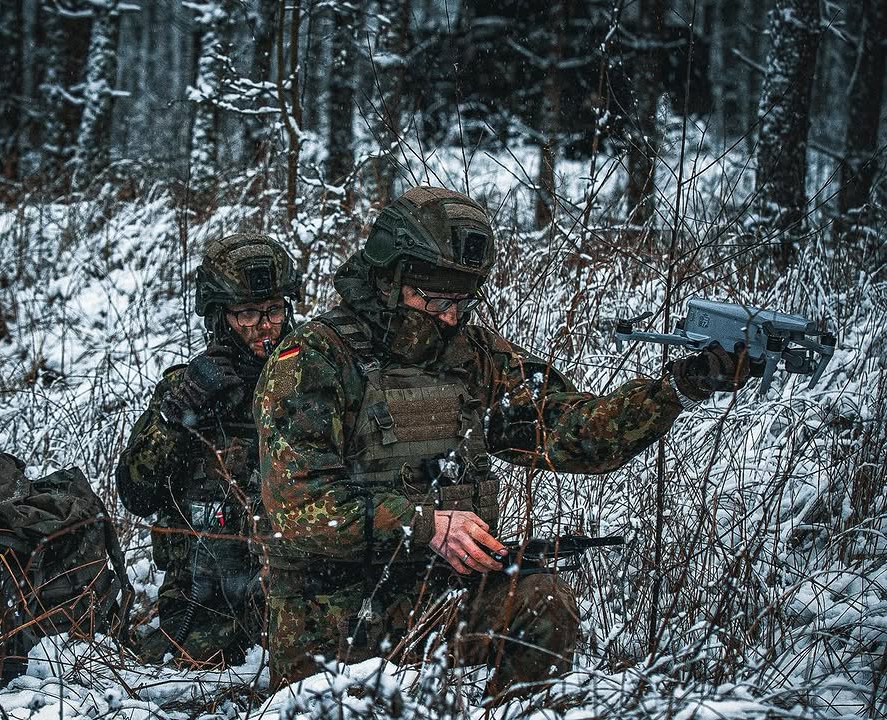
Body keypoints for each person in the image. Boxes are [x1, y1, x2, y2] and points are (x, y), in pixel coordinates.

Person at [254, 186, 747, 691]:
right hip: (331, 613)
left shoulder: (473, 355)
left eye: (463, 300)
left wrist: (677, 388)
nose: (451, 316)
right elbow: (299, 507)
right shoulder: (314, 361)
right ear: (389, 281)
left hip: (436, 592)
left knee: (544, 605)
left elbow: (567, 430)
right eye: (435, 299)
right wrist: (424, 525)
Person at [116, 232, 302, 665]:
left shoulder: (314, 381)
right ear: (221, 317)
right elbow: (136, 495)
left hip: (295, 583)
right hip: (205, 594)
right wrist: (177, 414)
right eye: (248, 313)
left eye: (274, 310)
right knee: (192, 672)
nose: (265, 326)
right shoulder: (188, 388)